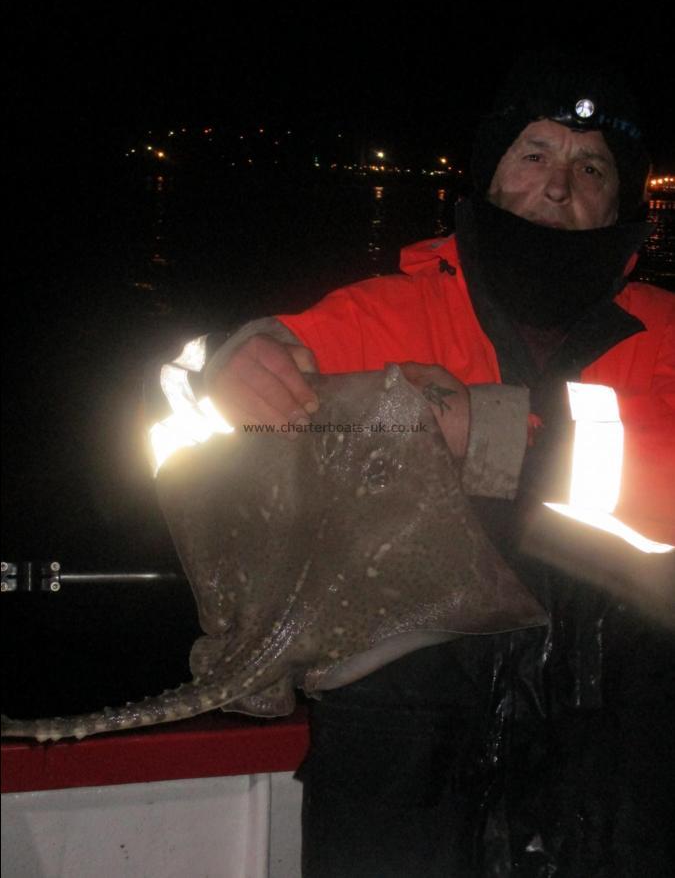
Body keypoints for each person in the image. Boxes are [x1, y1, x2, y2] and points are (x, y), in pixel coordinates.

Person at [149, 51, 674, 876]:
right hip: (400, 767)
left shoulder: (665, 336)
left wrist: (496, 435)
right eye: (533, 154)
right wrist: (226, 366)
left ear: (621, 200)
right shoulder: (381, 312)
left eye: (591, 167)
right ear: (491, 174)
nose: (558, 185)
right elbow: (180, 423)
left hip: (614, 767)